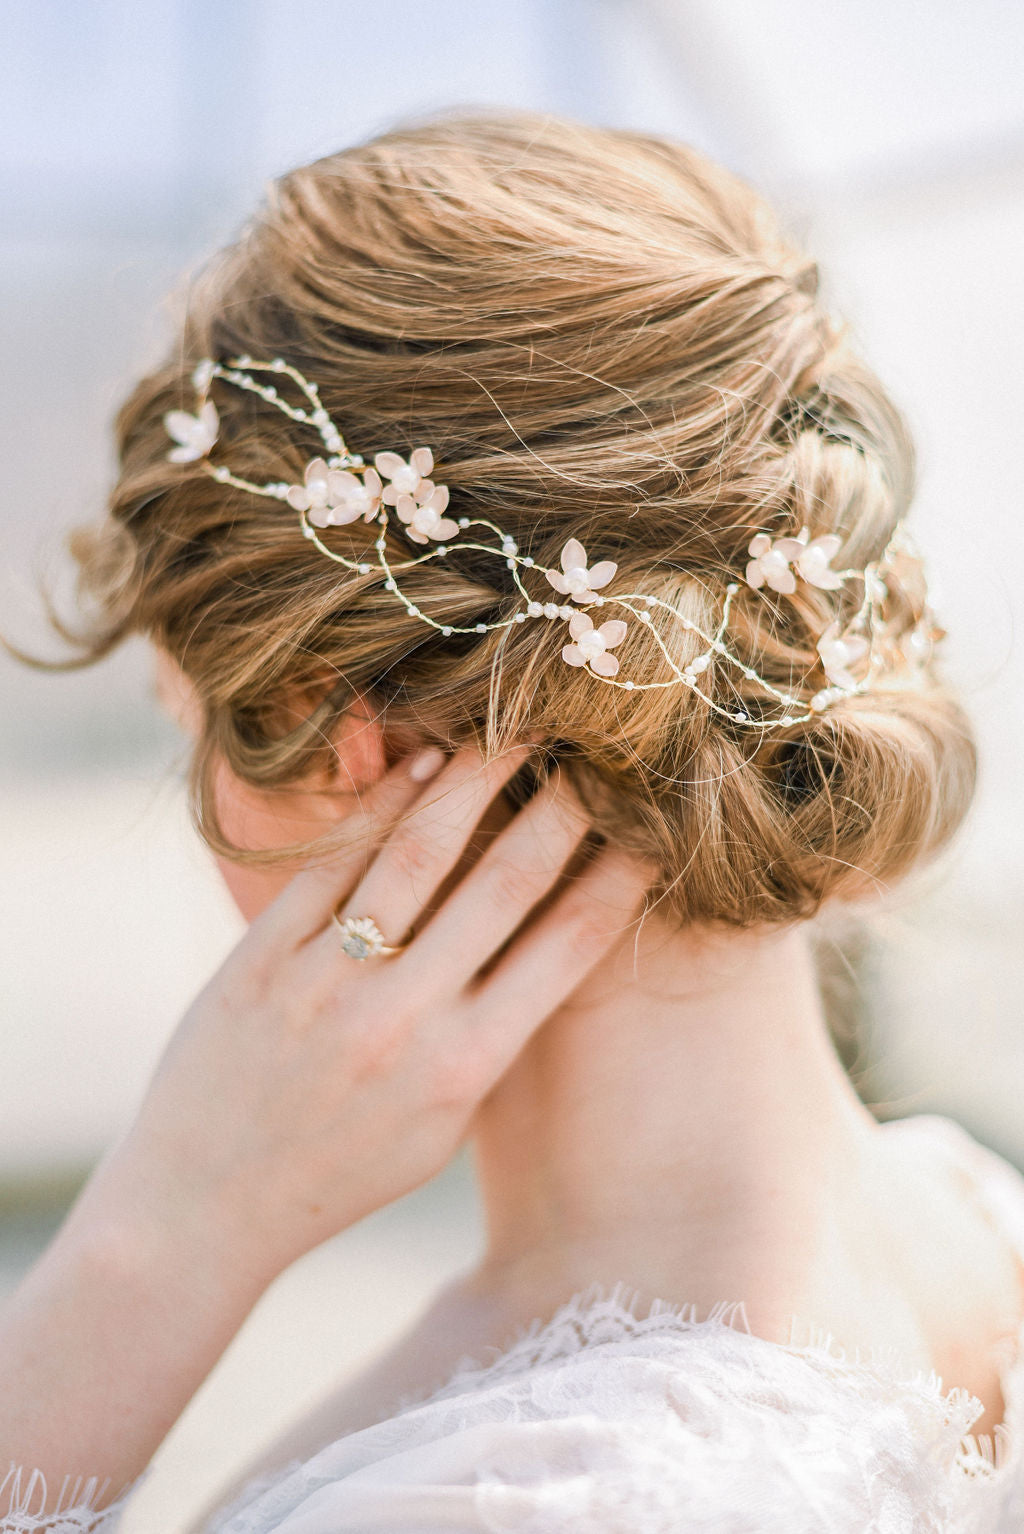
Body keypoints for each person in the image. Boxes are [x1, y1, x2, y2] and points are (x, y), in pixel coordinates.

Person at [3, 109, 1024, 1533]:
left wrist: (154, 1239)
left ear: (342, 738)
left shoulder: (515, 1498)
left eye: (191, 728)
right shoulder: (973, 1217)